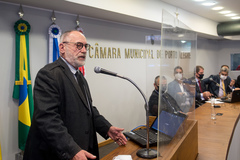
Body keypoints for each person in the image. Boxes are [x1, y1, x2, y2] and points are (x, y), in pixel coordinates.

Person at [23, 30, 127, 160]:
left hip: (82, 147)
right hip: (58, 153)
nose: (83, 50)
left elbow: (88, 109)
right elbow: (47, 119)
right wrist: (71, 149)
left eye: (85, 46)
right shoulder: (49, 74)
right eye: (78, 45)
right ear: (62, 48)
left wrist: (106, 128)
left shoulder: (79, 76)